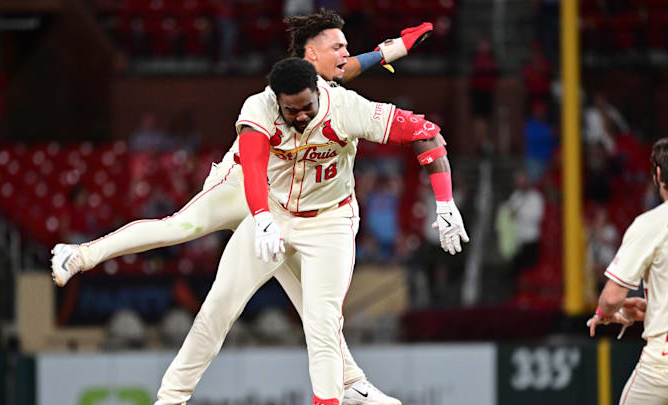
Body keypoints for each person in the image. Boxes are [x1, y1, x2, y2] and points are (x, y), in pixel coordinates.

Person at [51, 9, 435, 405]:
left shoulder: (320, 84)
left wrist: (396, 50)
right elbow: (252, 168)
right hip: (239, 185)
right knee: (180, 228)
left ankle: (350, 381)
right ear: (309, 56)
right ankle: (80, 254)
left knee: (315, 308)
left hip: (281, 202)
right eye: (337, 48)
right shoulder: (276, 94)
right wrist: (263, 218)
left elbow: (352, 68)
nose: (345, 55)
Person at [186, 56, 465, 405]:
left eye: (307, 107)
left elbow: (427, 134)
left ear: (319, 91)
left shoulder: (346, 108)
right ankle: (353, 387)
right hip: (279, 213)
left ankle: (337, 396)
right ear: (277, 102)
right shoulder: (260, 113)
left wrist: (445, 201)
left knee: (322, 321)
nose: (301, 116)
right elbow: (253, 173)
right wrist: (262, 218)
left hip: (331, 221)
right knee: (225, 304)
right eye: (292, 110)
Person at [588, 137, 668, 405]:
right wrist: (653, 308)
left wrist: (606, 312)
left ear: (658, 174)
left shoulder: (652, 224)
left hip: (662, 367)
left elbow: (611, 298)